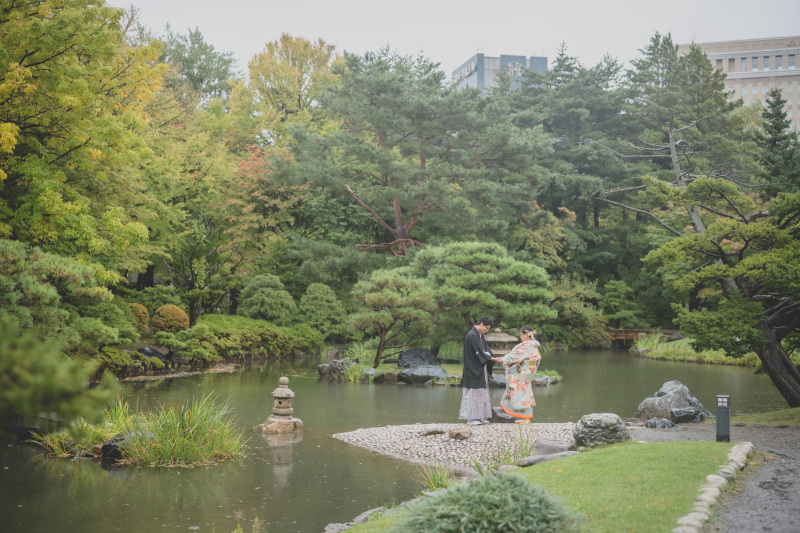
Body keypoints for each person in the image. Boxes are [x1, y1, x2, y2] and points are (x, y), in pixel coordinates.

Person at [459, 316, 503, 425]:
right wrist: (492, 359)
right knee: (473, 394)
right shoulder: (472, 335)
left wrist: (493, 357)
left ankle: (478, 417)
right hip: (472, 369)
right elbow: (479, 353)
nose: (487, 330)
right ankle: (471, 418)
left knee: (481, 393)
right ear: (481, 324)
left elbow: (486, 350)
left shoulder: (479, 335)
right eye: (487, 328)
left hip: (479, 368)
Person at [499, 326, 542, 424]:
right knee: (525, 394)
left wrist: (503, 359)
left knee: (520, 394)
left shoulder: (527, 346)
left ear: (526, 335)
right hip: (526, 373)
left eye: (521, 334)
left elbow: (513, 357)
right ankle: (525, 417)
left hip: (520, 373)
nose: (520, 336)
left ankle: (525, 417)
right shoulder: (533, 345)